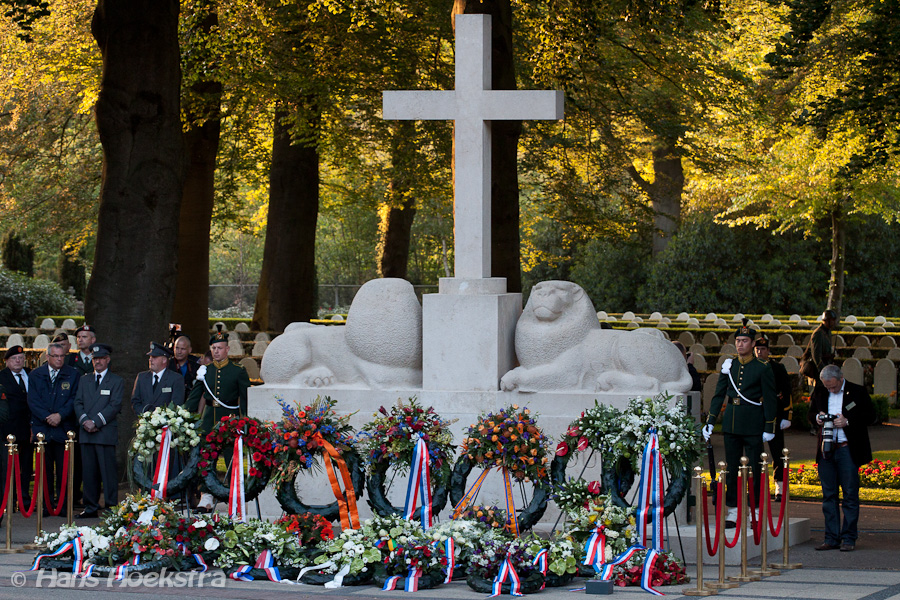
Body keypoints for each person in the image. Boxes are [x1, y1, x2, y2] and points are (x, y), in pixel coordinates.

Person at [702, 320, 777, 528]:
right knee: (731, 469)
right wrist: (710, 420)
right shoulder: (730, 366)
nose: (740, 344)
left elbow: (770, 398)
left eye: (744, 341)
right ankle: (733, 511)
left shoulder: (762, 367)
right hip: (732, 424)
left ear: (753, 344)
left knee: (754, 469)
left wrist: (769, 426)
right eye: (738, 341)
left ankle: (756, 511)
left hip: (753, 424)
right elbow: (719, 395)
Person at [808, 364, 874, 552]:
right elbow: (810, 414)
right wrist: (818, 418)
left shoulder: (857, 391)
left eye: (833, 386)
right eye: (827, 386)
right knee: (828, 495)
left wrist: (848, 421)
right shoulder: (820, 392)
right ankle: (831, 537)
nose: (830, 389)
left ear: (841, 378)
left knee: (850, 494)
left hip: (847, 448)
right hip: (826, 448)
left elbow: (870, 415)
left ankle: (849, 537)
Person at [185, 332, 250, 510]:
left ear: (227, 349)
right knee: (207, 460)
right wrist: (181, 414)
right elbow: (195, 396)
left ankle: (234, 494)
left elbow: (245, 398)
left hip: (230, 420)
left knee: (231, 459)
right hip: (209, 421)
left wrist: (245, 420)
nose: (216, 351)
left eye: (220, 348)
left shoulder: (238, 371)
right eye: (213, 348)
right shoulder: (206, 371)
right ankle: (206, 496)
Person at [27, 341, 79, 512]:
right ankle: (45, 505)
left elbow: (74, 399)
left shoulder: (73, 374)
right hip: (43, 429)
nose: (59, 359)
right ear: (47, 356)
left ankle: (64, 506)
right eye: (55, 356)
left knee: (64, 471)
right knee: (44, 471)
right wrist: (47, 417)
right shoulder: (36, 374)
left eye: (62, 356)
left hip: (63, 428)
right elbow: (33, 400)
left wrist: (60, 416)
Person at [74, 344, 123, 518]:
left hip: (104, 433)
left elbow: (115, 405)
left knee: (107, 472)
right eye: (95, 359)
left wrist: (96, 421)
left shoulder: (116, 381)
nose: (98, 362)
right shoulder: (84, 379)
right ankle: (90, 506)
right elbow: (78, 402)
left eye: (101, 358)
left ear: (108, 360)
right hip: (86, 432)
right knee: (88, 472)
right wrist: (85, 421)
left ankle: (111, 506)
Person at [754, 334, 793, 500]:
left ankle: (780, 488)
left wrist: (787, 415)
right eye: (757, 349)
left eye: (763, 349)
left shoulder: (778, 368)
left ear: (768, 351)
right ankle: (758, 487)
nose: (760, 352)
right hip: (755, 416)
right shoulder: (750, 368)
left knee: (778, 454)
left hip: (774, 417)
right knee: (755, 453)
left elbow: (787, 392)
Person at [0, 346, 33, 508]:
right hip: (9, 429)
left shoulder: (30, 374)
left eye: (21, 357)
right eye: (14, 358)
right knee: (9, 467)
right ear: (7, 361)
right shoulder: (2, 377)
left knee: (26, 467)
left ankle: (25, 499)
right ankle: (10, 499)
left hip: (28, 429)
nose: (18, 361)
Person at [132, 342, 185, 414]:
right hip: (145, 422)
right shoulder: (142, 377)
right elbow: (135, 402)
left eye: (154, 357)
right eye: (150, 357)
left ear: (164, 360)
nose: (150, 360)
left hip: (166, 423)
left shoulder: (176, 379)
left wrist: (160, 418)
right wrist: (146, 416)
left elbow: (176, 404)